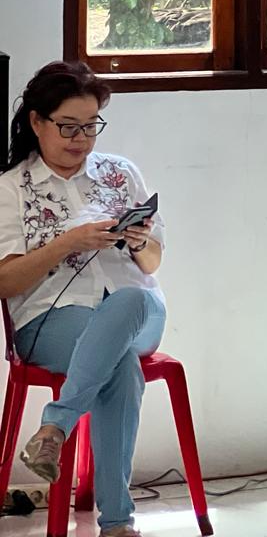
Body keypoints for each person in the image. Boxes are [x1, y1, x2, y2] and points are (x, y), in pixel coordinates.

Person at [0, 61, 165, 537]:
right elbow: (5, 282)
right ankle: (117, 524)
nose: (81, 139)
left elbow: (153, 264)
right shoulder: (11, 188)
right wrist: (67, 243)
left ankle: (54, 427)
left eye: (91, 126)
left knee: (132, 300)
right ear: (37, 122)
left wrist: (138, 240)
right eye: (68, 127)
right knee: (120, 367)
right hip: (51, 319)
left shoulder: (121, 172)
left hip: (138, 314)